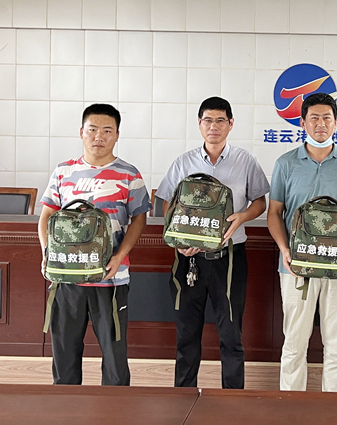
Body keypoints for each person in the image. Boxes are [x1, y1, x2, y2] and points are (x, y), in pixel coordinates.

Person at [156, 96, 269, 388]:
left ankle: (232, 399)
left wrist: (242, 217)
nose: (213, 126)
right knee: (187, 333)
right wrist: (179, 240)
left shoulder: (245, 161)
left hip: (229, 257)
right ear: (199, 124)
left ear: (230, 124)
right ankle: (183, 395)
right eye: (208, 120)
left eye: (220, 120)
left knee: (231, 333)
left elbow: (260, 202)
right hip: (188, 258)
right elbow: (166, 203)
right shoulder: (184, 162)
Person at [38, 103, 151, 385]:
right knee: (64, 353)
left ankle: (114, 406)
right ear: (81, 132)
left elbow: (139, 219)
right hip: (67, 277)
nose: (99, 136)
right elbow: (47, 216)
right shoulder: (63, 171)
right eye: (92, 129)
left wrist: (120, 256)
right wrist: (47, 253)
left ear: (117, 135)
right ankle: (66, 404)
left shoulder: (129, 174)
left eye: (107, 130)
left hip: (111, 278)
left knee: (114, 356)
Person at [267, 93, 337, 392]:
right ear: (302, 122)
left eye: (327, 117)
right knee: (294, 344)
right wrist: (285, 250)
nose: (321, 123)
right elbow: (274, 213)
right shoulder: (286, 163)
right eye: (314, 117)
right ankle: (291, 408)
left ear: (335, 122)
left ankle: (335, 410)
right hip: (295, 267)